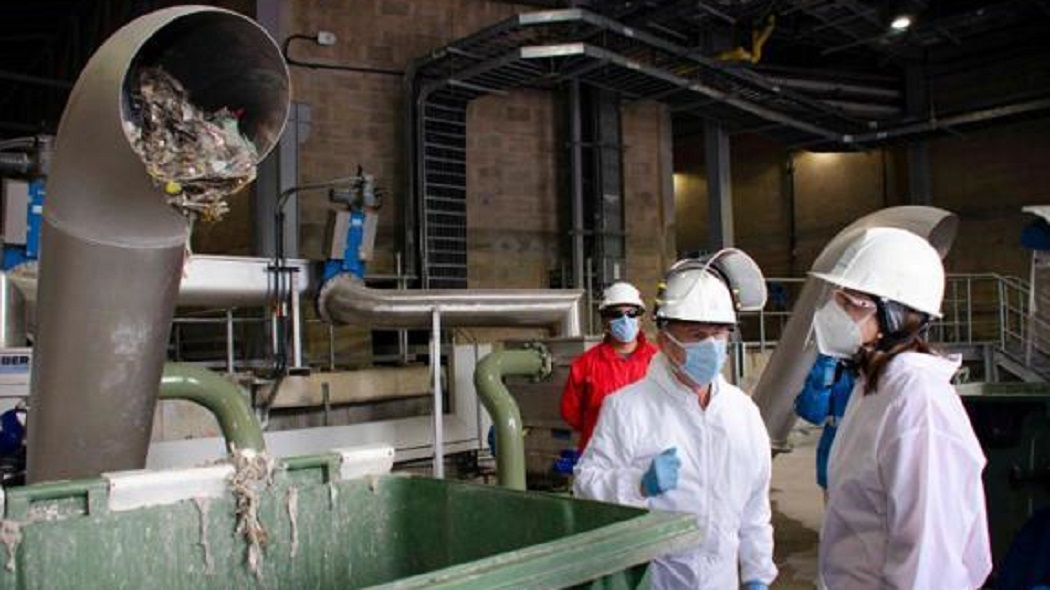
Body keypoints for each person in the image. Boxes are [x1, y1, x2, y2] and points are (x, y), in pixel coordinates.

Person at [574, 250, 777, 590]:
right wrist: (637, 483)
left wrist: (757, 575)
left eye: (720, 334)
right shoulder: (627, 408)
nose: (711, 346)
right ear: (665, 340)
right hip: (656, 580)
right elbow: (586, 482)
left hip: (721, 581)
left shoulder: (743, 413)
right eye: (697, 335)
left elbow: (755, 510)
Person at [811, 227, 992, 589]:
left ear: (893, 316)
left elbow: (928, 562)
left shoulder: (918, 403)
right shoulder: (875, 386)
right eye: (838, 299)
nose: (836, 312)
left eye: (851, 304)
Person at [560, 281, 657, 452]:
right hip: (600, 457)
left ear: (640, 319)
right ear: (606, 321)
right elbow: (571, 413)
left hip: (647, 454)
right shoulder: (585, 364)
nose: (625, 320)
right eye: (616, 314)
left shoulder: (658, 361)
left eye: (632, 313)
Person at [793, 353, 855, 493]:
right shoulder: (834, 362)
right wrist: (826, 371)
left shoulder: (887, 362)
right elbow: (812, 412)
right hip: (834, 455)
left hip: (871, 458)